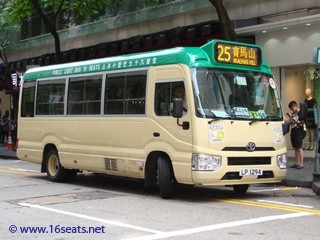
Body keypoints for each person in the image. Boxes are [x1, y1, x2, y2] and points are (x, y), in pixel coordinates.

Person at [287, 101, 306, 169]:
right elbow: (289, 122)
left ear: (295, 106)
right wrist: (289, 118)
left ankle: (301, 164)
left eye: (292, 108)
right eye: (291, 109)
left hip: (299, 131)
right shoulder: (293, 113)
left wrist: (293, 120)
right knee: (295, 148)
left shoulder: (301, 113)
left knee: (299, 148)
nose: (292, 110)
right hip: (293, 131)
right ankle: (296, 162)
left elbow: (301, 122)